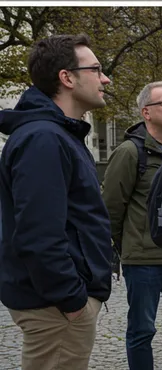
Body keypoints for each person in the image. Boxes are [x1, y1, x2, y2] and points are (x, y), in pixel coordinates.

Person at [0, 34, 112, 369]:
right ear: (67, 78)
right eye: (96, 69)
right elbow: (38, 235)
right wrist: (72, 300)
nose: (105, 78)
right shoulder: (44, 139)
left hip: (58, 303)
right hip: (56, 308)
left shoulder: (58, 134)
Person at [102, 81, 162, 370]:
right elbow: (111, 208)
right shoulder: (130, 152)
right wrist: (123, 248)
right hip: (143, 258)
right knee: (142, 330)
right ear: (146, 112)